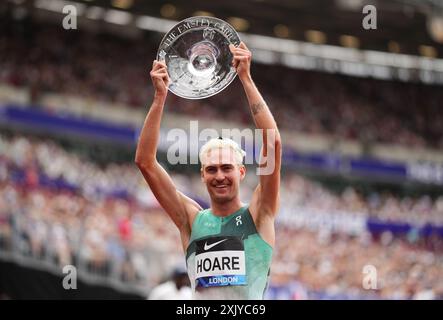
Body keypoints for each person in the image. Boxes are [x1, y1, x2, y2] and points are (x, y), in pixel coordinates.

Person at [135, 42, 281, 299]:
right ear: (203, 175)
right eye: (211, 169)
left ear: (241, 172)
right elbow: (145, 162)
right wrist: (159, 98)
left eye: (227, 168)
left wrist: (245, 78)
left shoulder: (260, 212)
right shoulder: (191, 220)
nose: (220, 176)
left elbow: (273, 143)